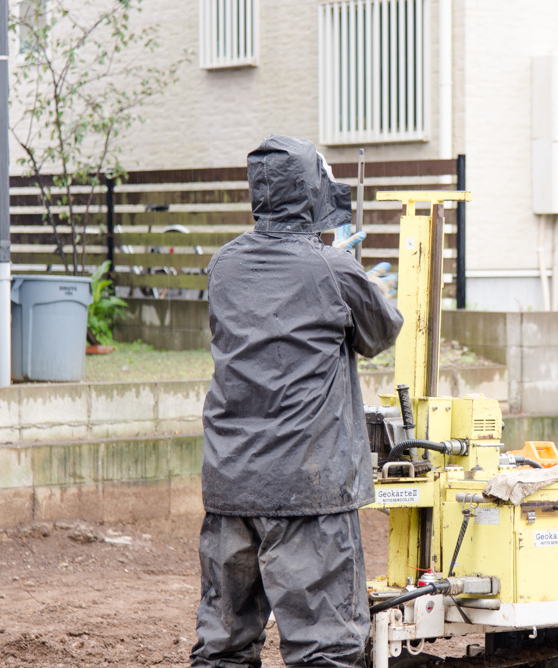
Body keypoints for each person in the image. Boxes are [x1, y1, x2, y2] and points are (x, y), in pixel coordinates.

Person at [191, 134, 403, 668]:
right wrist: (352, 271)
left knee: (223, 647)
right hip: (309, 492)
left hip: (231, 488)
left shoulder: (223, 265)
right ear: (313, 191)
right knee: (325, 649)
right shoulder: (334, 268)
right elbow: (381, 334)